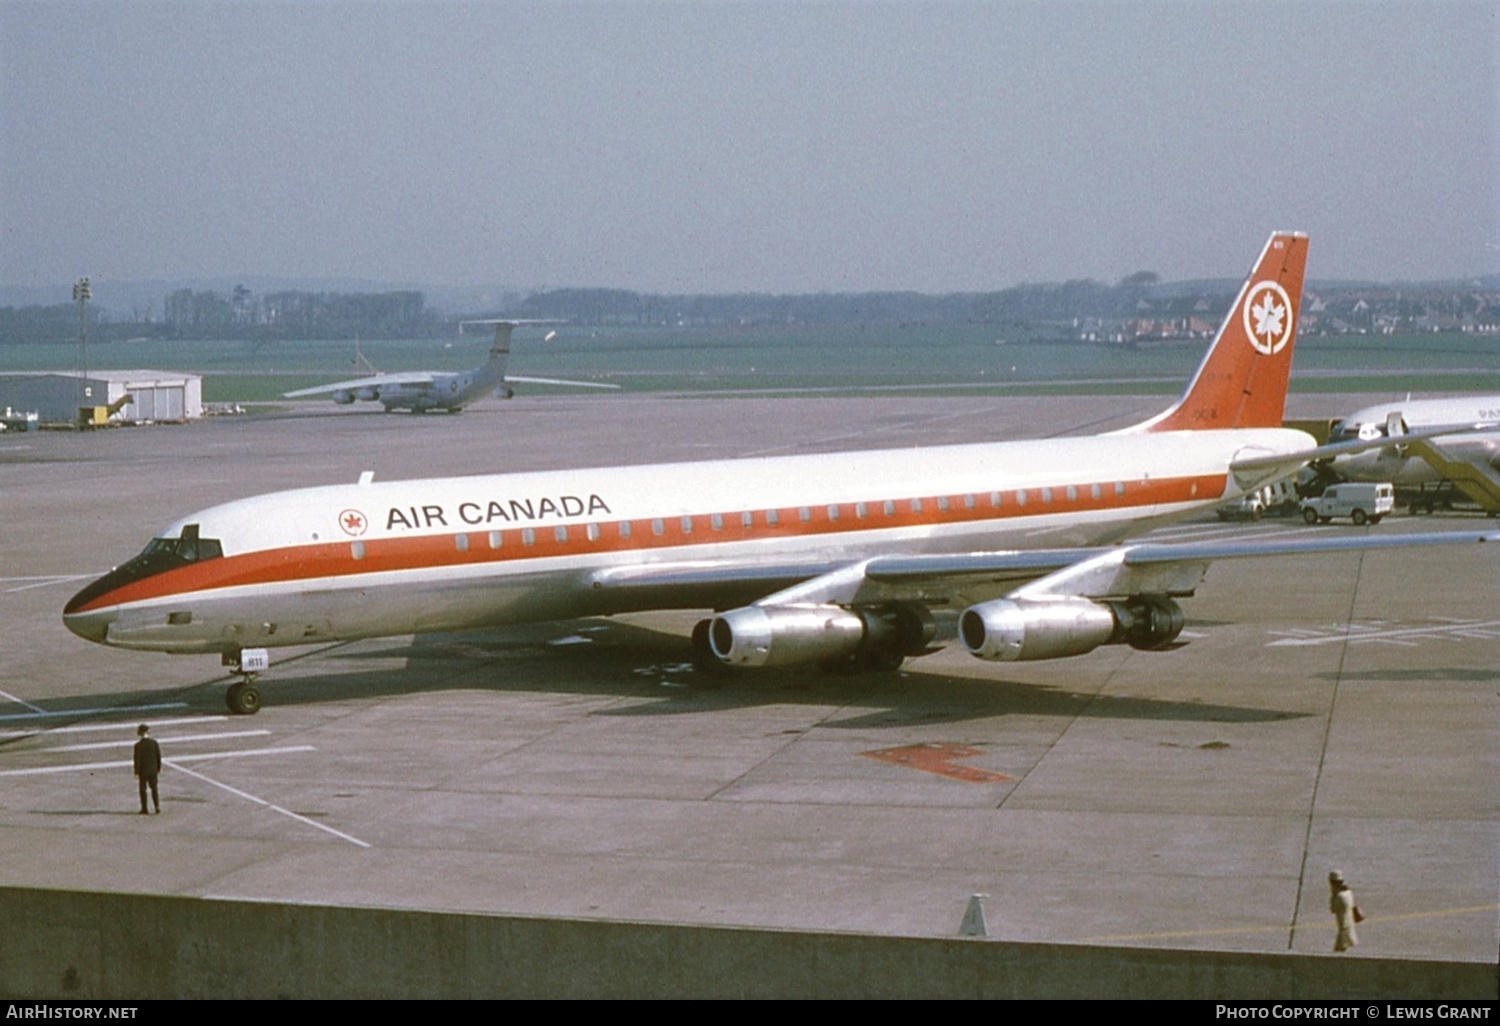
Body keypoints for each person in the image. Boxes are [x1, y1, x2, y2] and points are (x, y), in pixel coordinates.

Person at [1328, 870, 1360, 951]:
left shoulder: (1339, 896)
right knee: (1340, 950)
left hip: (1344, 927)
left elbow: (1333, 909)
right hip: (1349, 925)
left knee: (1338, 952)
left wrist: (1333, 896)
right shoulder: (1348, 892)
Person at [133, 724, 161, 814]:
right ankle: (157, 806)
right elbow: (158, 756)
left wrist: (136, 772)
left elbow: (137, 760)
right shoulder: (154, 743)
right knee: (154, 789)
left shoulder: (138, 746)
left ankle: (144, 808)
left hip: (143, 771)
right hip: (153, 770)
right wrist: (158, 767)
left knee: (143, 790)